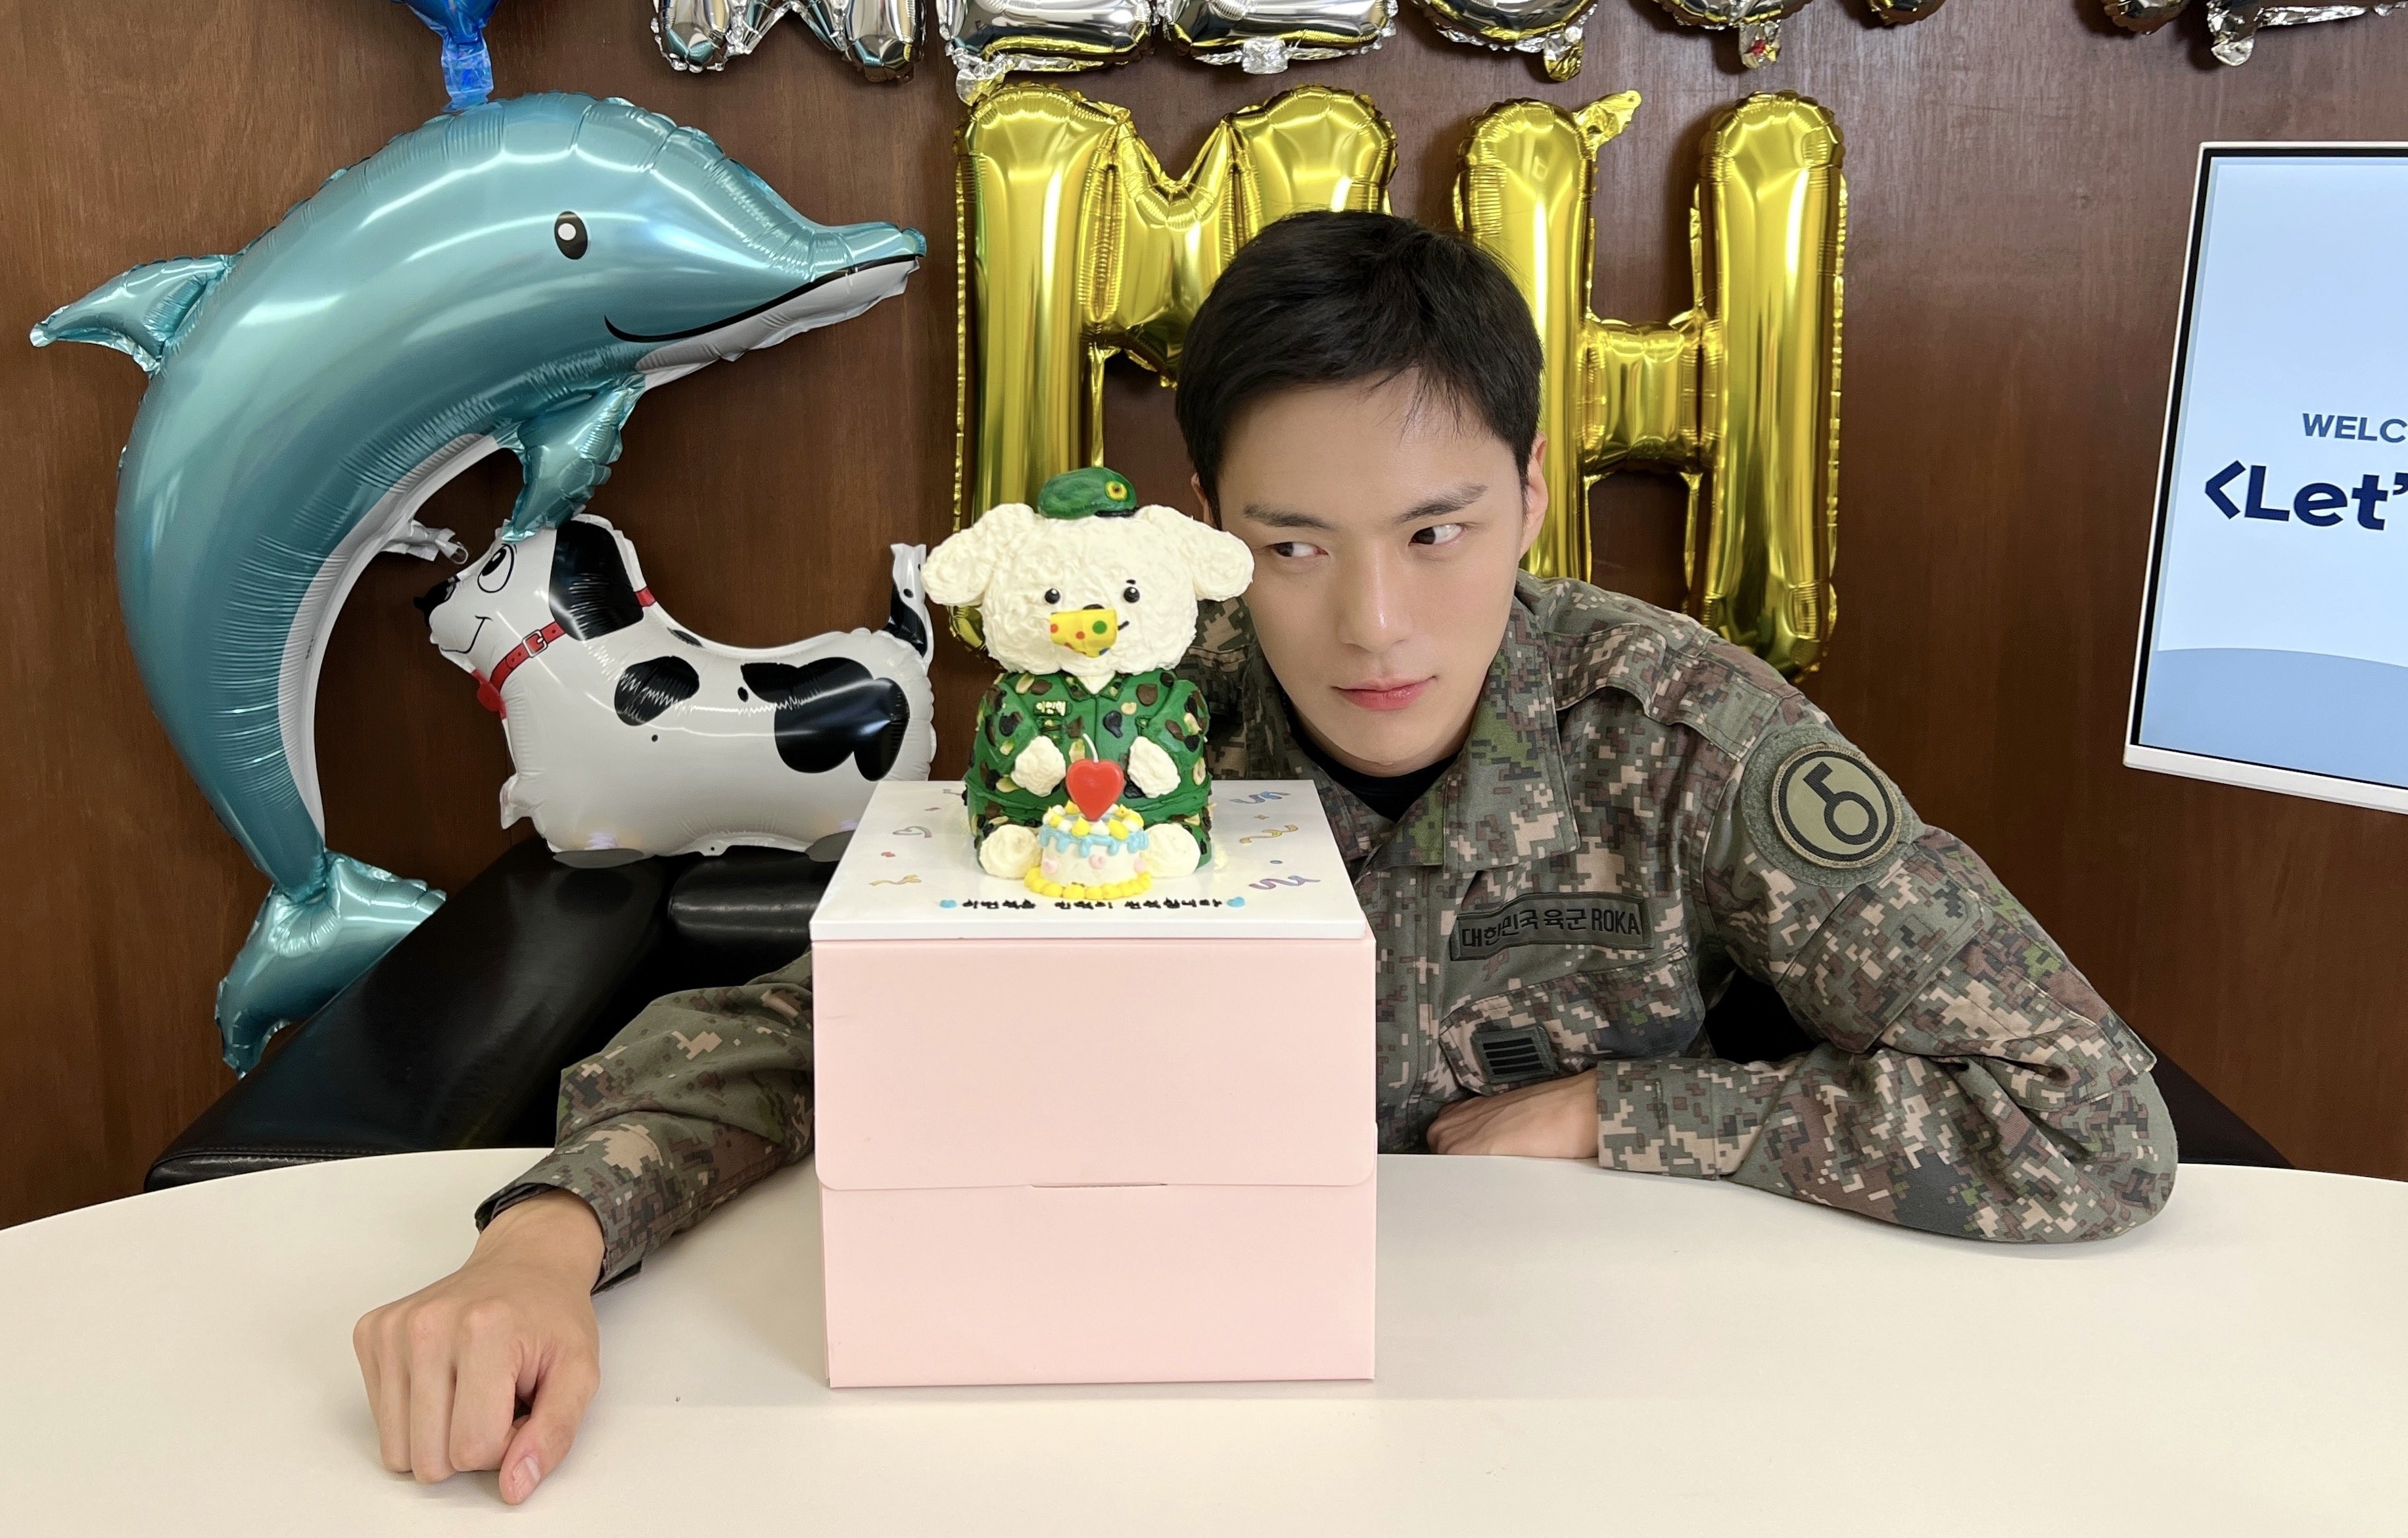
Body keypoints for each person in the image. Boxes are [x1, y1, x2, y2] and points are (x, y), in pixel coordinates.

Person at [354, 210, 2173, 1502]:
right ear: (1210, 530)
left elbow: (2088, 1114)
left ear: (1534, 493)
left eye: (1439, 531)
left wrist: (1633, 1117)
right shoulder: (1124, 721)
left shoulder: (1680, 733)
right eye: (1295, 546)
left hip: (1590, 1429)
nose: (1376, 622)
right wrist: (547, 1240)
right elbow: (824, 1027)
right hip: (1169, 1417)